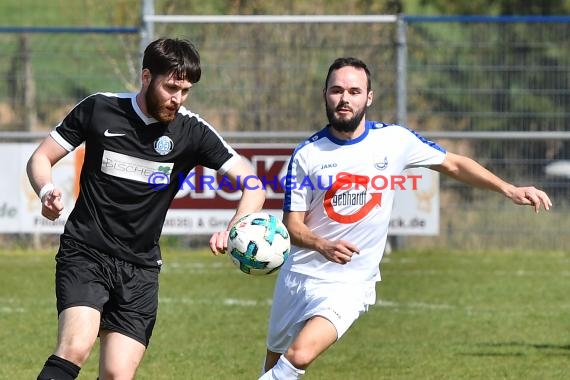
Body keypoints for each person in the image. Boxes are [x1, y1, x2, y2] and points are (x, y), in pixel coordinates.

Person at [259, 57, 552, 379]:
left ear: (368, 97)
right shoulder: (307, 155)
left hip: (350, 281)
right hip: (298, 274)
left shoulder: (394, 141)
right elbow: (293, 225)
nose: (345, 98)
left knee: (299, 355)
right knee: (275, 365)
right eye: (337, 90)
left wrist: (507, 189)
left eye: (354, 91)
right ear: (325, 94)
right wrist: (321, 244)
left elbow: (453, 164)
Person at [27, 37, 265, 380]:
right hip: (86, 251)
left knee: (117, 374)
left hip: (140, 268)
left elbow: (254, 184)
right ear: (146, 77)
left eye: (185, 91)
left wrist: (234, 227)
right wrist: (46, 188)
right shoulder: (100, 109)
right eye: (170, 88)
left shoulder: (192, 131)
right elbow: (41, 158)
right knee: (76, 346)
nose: (177, 99)